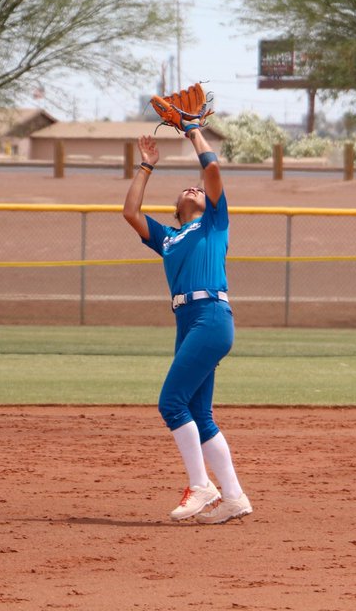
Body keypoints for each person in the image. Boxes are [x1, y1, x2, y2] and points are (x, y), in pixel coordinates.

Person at [122, 125, 251, 524]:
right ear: (177, 208)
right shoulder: (168, 237)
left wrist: (194, 132)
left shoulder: (214, 221)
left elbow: (212, 172)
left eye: (196, 189)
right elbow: (130, 213)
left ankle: (201, 486)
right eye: (187, 190)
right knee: (199, 411)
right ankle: (233, 497)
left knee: (171, 403)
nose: (194, 189)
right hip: (188, 321)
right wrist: (146, 165)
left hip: (211, 316)